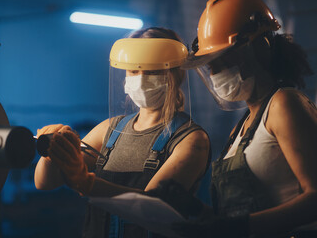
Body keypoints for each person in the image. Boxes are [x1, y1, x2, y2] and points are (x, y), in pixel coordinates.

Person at [173, 0, 317, 237]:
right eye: (210, 64)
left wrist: (237, 228)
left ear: (260, 47)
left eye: (223, 58)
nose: (215, 72)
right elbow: (239, 214)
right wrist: (199, 212)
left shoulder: (284, 104)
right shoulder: (239, 130)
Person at [34, 27, 210, 238]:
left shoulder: (191, 139)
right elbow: (45, 183)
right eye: (134, 71)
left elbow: (151, 206)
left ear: (174, 74)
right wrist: (52, 151)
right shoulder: (109, 130)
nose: (141, 79)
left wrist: (87, 183)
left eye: (152, 71)